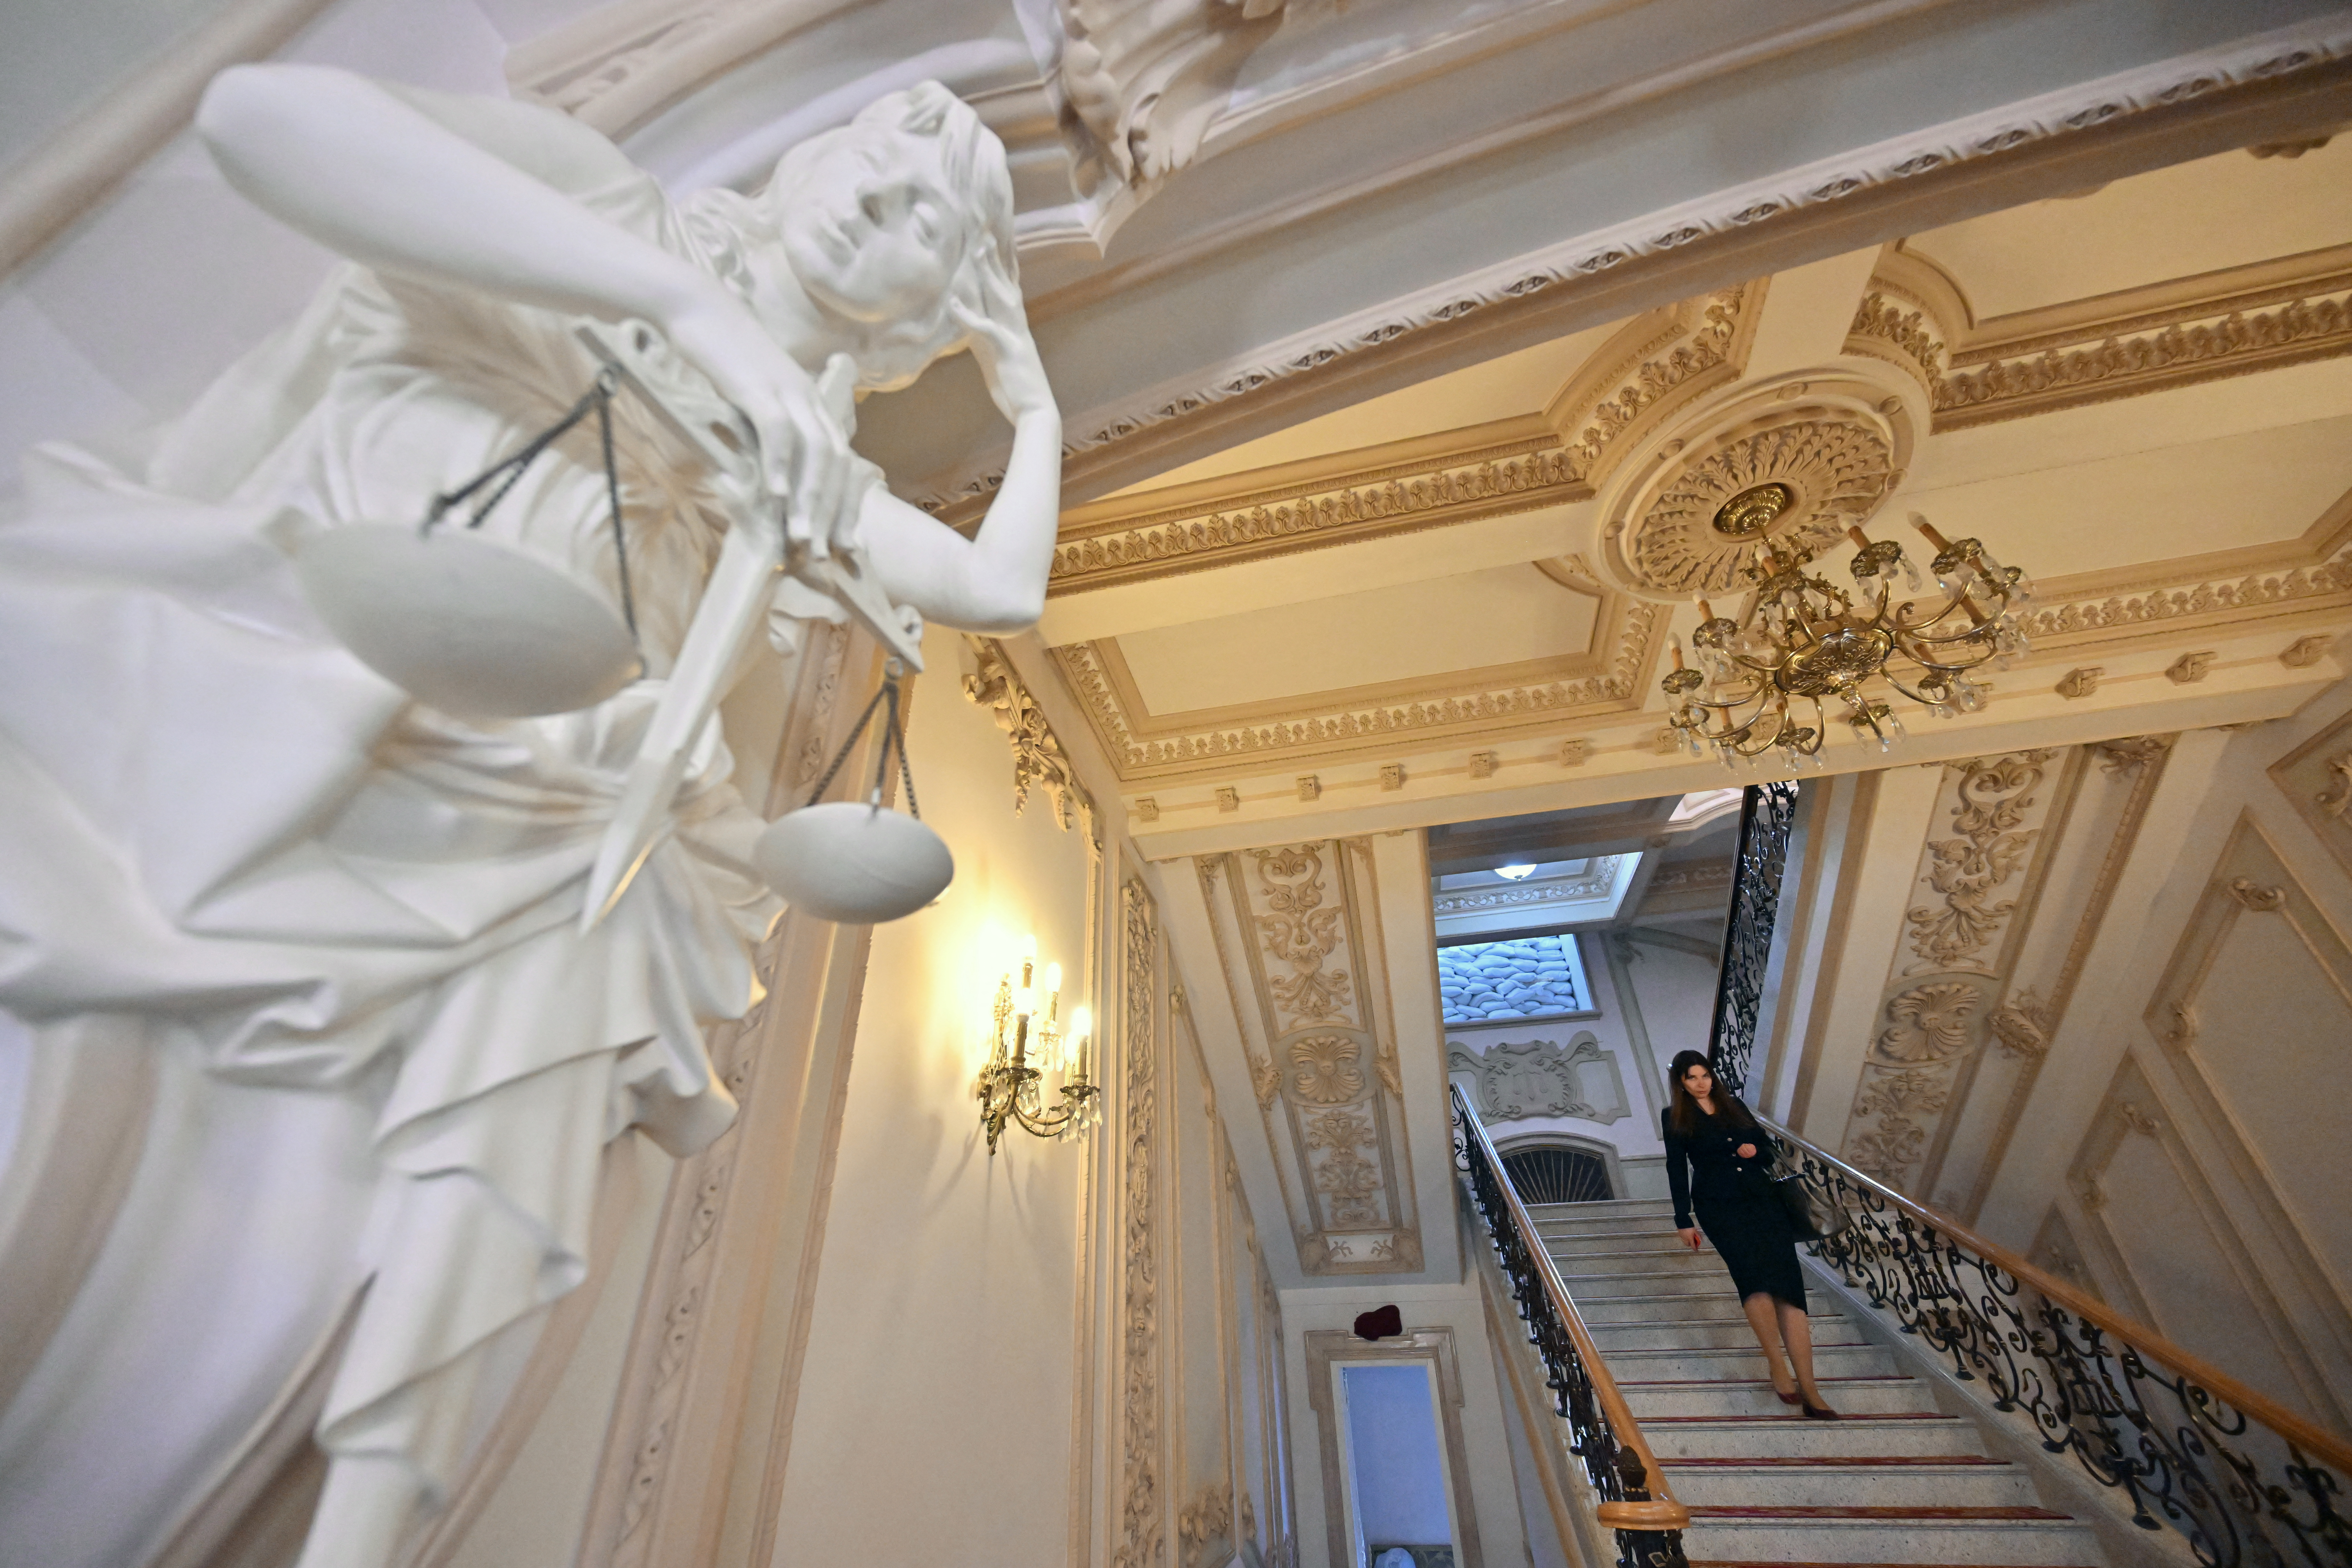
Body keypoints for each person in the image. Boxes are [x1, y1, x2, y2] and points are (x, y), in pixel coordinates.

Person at [0, 65, 1060, 1568]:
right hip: (333, 642)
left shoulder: (811, 460)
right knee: (586, 904)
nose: (875, 202)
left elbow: (998, 590)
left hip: (547, 799)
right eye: (873, 161)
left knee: (599, 932)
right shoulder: (605, 214)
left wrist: (1032, 400)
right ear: (805, 158)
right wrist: (674, 308)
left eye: (921, 223)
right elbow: (257, 117)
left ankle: (369, 1518)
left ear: (920, 315)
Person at [1661, 1050, 1839, 1419]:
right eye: (1692, 1078)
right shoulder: (1675, 1117)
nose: (1701, 1083)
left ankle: (1811, 1388)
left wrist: (1754, 1150)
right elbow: (1677, 1169)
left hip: (1764, 1204)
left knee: (1789, 1289)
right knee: (1754, 1284)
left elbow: (1767, 1152)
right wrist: (1683, 1220)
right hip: (1719, 1209)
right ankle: (1777, 1364)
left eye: (1705, 1075)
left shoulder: (1734, 1105)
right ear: (1681, 1082)